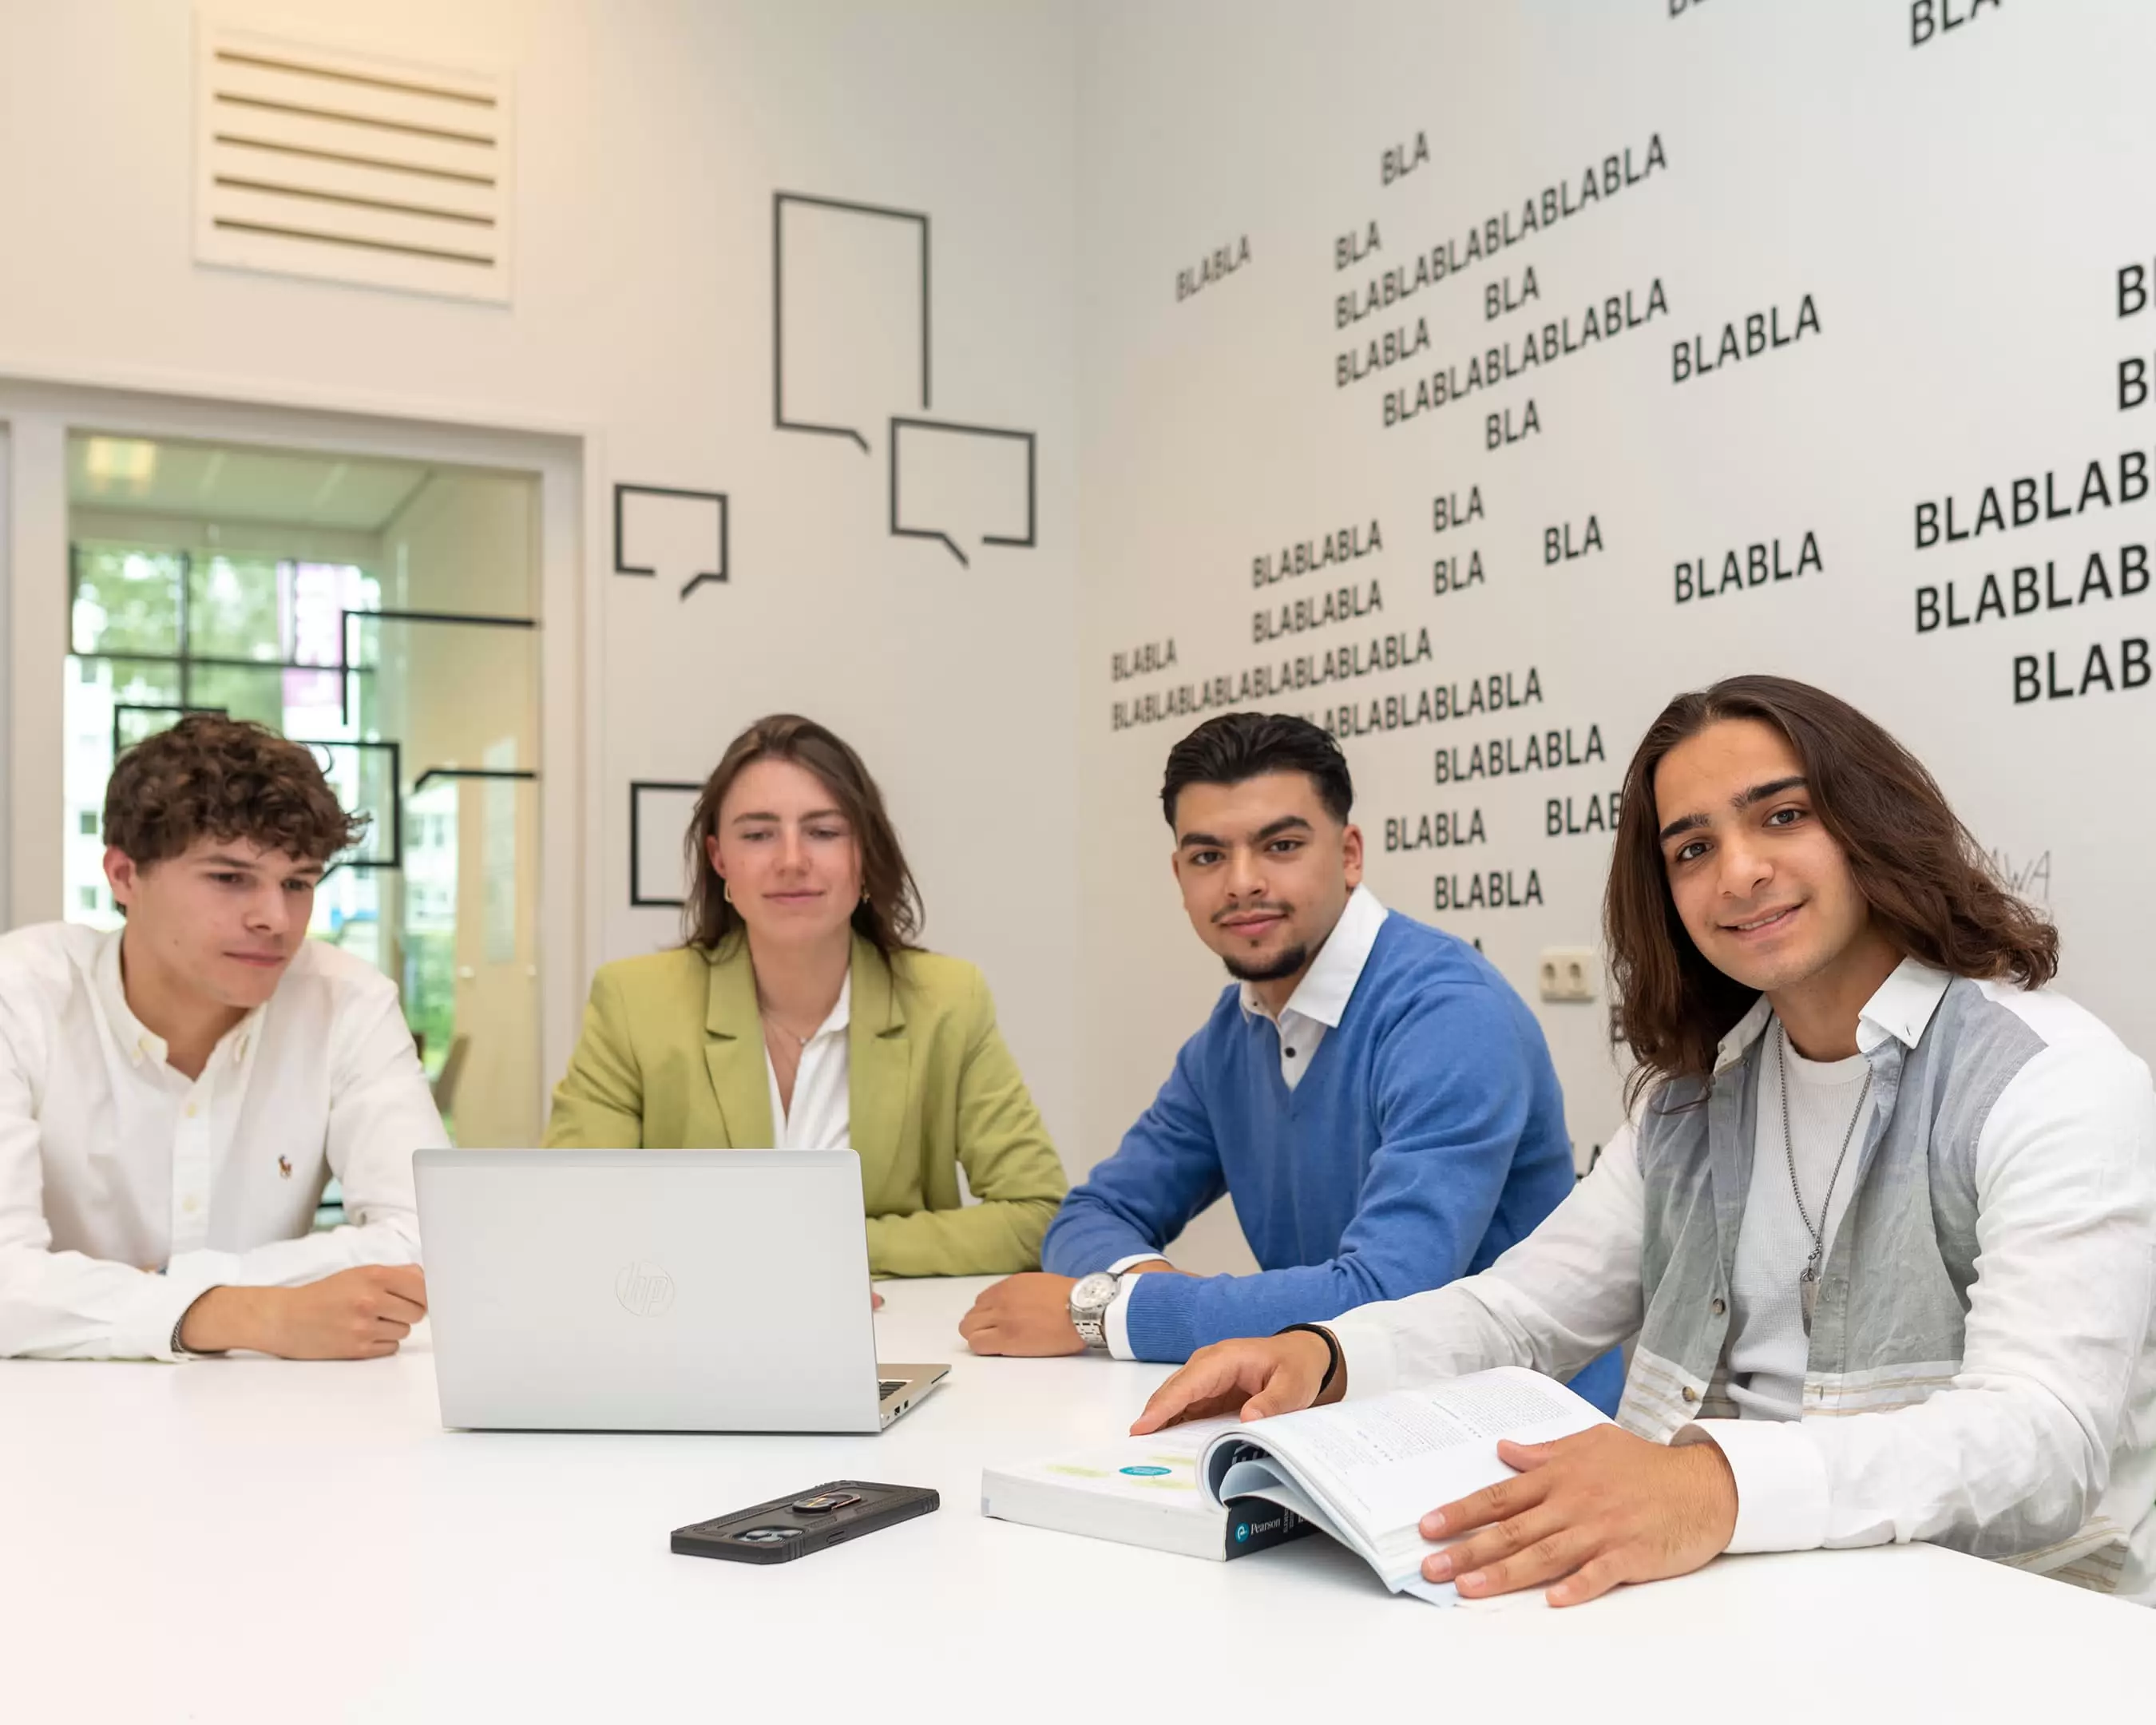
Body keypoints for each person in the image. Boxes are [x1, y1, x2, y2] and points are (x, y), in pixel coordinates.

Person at [1134, 676, 2156, 1608]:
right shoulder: (1692, 1103)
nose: (1739, 873)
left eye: (1784, 817)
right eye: (1692, 848)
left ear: (1873, 826)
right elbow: (1525, 1312)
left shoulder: (2051, 1079)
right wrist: (1328, 1353)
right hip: (1727, 1600)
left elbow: (2044, 1435)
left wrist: (1708, 1482)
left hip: (2002, 1614)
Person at [961, 712, 1622, 1414]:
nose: (1242, 883)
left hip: (1514, 1431)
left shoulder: (1450, 1015)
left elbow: (1383, 1296)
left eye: (1279, 845)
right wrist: (1132, 1288)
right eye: (1208, 856)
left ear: (1350, 854)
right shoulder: (1234, 1029)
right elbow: (1094, 1211)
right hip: (1336, 1413)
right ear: (1180, 875)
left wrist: (1108, 1313)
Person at [545, 713, 1067, 1278]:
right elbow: (574, 1214)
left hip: (888, 1344)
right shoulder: (633, 1001)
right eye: (758, 834)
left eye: (823, 831)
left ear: (863, 853)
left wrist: (832, 1247)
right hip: (689, 1346)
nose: (792, 861)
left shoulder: (947, 1000)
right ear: (720, 859)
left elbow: (1037, 1214)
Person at [0, 716, 440, 1361]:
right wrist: (239, 1313)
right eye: (230, 878)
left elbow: (428, 1238)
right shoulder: (20, 993)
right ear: (124, 876)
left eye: (298, 883)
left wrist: (167, 1293)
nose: (276, 918)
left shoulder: (348, 1002)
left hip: (270, 1411)